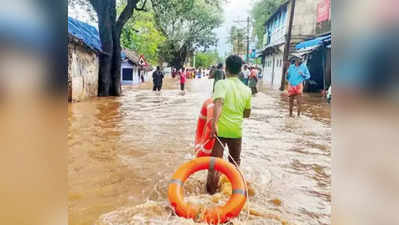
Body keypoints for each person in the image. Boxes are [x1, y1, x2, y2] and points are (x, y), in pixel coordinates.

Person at [206, 55, 252, 195]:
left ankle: (211, 193)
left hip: (221, 130)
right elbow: (247, 114)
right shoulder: (247, 89)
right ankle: (233, 193)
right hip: (236, 131)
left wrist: (214, 124)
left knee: (215, 163)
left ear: (226, 68)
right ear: (240, 70)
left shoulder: (221, 84)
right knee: (235, 163)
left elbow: (218, 104)